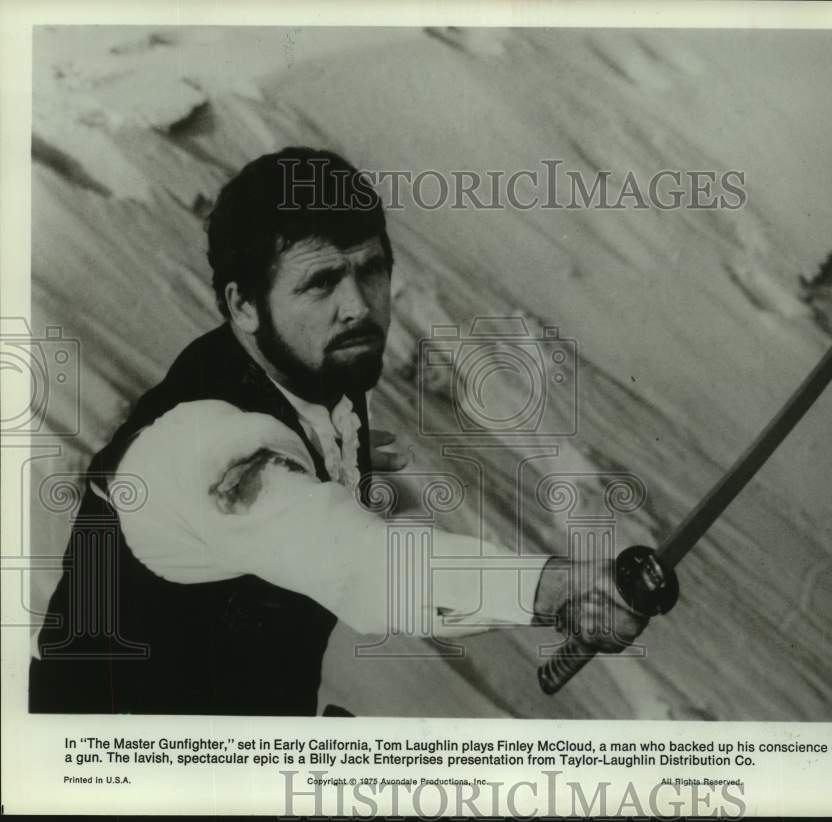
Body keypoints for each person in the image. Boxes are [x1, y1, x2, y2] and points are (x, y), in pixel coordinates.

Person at [30, 147, 650, 716]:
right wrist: (550, 587)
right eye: (320, 281)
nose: (358, 304)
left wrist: (552, 599)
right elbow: (360, 564)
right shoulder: (201, 443)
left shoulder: (315, 390)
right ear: (243, 305)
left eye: (372, 270)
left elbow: (360, 554)